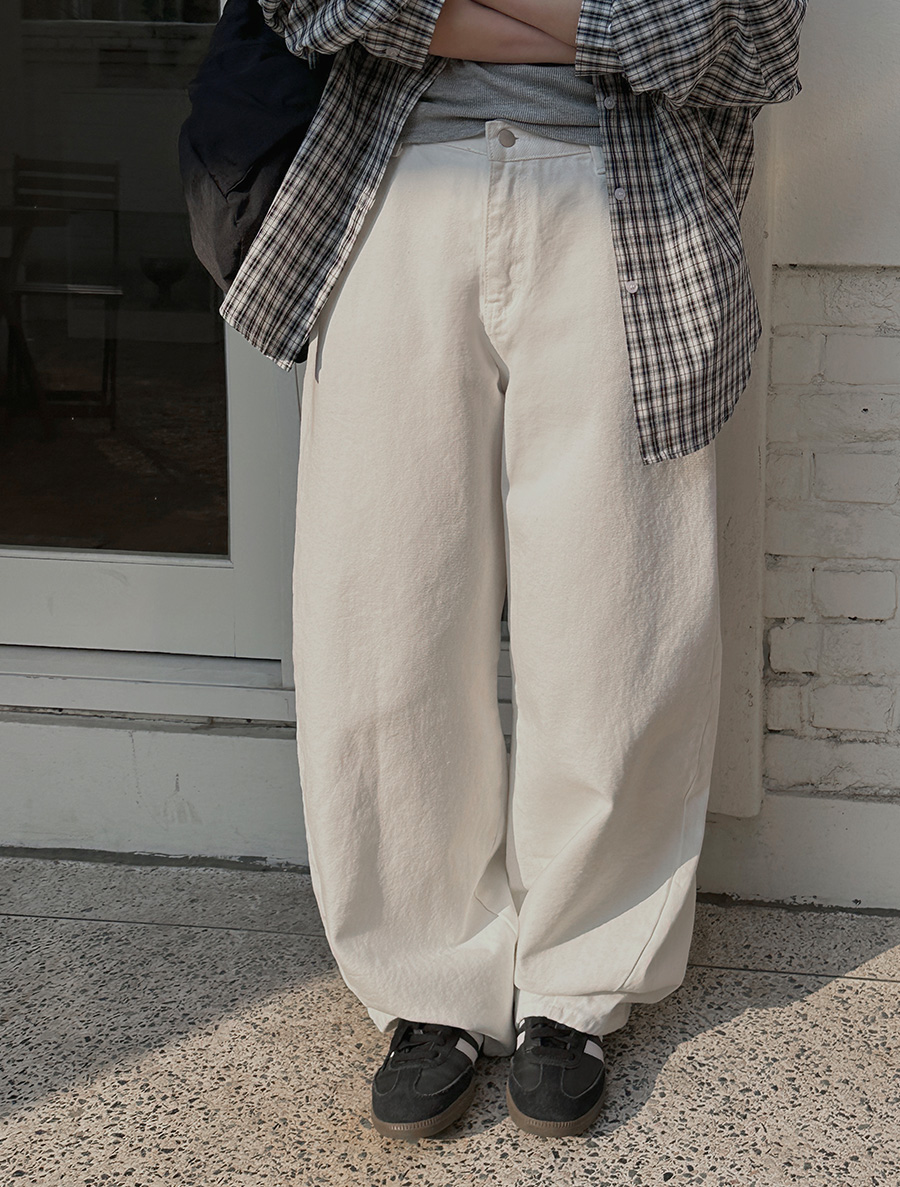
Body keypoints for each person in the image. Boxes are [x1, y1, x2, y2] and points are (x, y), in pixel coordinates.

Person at [221, 0, 807, 1141]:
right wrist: (602, 24)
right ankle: (427, 982)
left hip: (627, 208)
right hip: (395, 194)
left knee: (618, 614)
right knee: (381, 604)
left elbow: (749, 36)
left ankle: (577, 984)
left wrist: (454, 15)